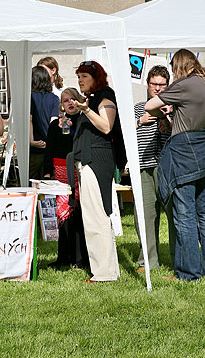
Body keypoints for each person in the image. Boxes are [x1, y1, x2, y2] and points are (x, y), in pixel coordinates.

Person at [146, 49, 205, 281]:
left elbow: (151, 105)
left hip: (184, 152)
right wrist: (176, 110)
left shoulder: (185, 84)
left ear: (179, 66)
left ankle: (188, 273)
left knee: (185, 215)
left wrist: (164, 113)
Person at [70, 60, 124, 282]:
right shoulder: (92, 99)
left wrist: (87, 110)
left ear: (96, 78)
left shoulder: (105, 95)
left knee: (97, 215)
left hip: (97, 161)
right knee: (93, 215)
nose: (80, 80)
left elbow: (106, 126)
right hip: (88, 161)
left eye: (84, 76)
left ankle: (104, 273)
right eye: (79, 76)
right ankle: (105, 270)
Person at [133, 65, 175, 272]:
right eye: (154, 84)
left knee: (174, 214)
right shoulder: (139, 107)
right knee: (145, 216)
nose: (157, 89)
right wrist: (140, 121)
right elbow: (124, 132)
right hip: (144, 167)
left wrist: (168, 120)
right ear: (147, 84)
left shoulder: (174, 107)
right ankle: (147, 261)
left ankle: (180, 260)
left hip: (168, 168)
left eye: (162, 85)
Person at [42, 88, 88, 269]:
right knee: (63, 216)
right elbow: (49, 149)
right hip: (60, 173)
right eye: (65, 100)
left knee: (79, 217)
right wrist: (47, 173)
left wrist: (70, 127)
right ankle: (64, 257)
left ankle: (80, 258)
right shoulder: (55, 125)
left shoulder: (84, 121)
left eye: (72, 99)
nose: (69, 103)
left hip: (78, 171)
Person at [29, 66, 60, 180]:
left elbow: (29, 119)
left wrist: (31, 141)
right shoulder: (54, 98)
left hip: (33, 150)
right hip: (49, 150)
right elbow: (53, 122)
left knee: (30, 183)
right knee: (49, 186)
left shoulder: (29, 97)